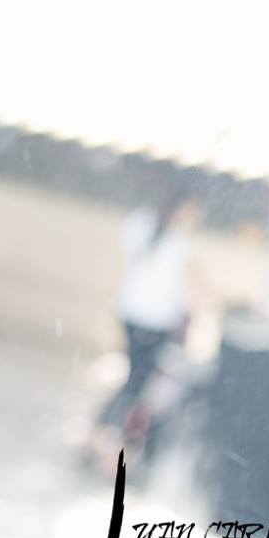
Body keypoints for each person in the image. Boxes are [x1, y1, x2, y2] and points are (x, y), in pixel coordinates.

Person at [88, 185, 207, 471]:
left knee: (136, 378)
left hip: (132, 313)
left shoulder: (140, 225)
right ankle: (112, 436)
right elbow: (192, 284)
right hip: (155, 320)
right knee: (140, 381)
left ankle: (106, 431)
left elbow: (120, 266)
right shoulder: (177, 242)